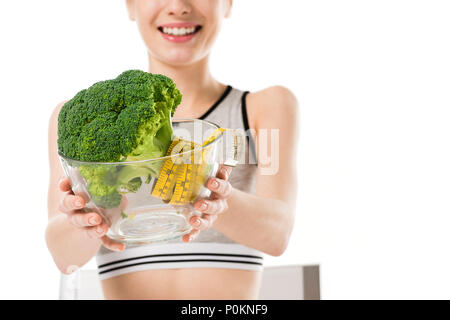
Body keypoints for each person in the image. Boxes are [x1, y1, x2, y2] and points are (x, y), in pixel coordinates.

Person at [46, 0, 299, 300]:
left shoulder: (262, 109)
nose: (179, 6)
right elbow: (64, 258)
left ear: (228, 3)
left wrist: (207, 191)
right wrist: (90, 215)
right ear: (130, 5)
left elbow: (278, 234)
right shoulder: (85, 123)